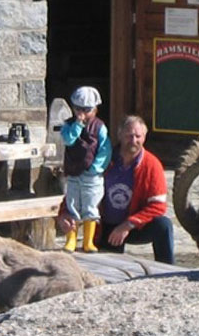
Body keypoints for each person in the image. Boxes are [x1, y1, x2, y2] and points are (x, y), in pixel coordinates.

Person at [58, 115, 175, 264]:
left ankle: (167, 271)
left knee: (163, 225)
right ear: (119, 135)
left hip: (133, 225)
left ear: (144, 137)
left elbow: (158, 206)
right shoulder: (103, 159)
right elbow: (78, 188)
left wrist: (128, 225)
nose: (133, 140)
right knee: (105, 268)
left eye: (138, 136)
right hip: (105, 226)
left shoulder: (152, 165)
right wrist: (64, 213)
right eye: (129, 135)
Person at [60, 86, 112, 253]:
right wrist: (77, 125)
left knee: (90, 206)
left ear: (95, 109)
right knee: (72, 205)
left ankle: (88, 241)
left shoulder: (100, 127)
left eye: (87, 110)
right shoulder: (68, 125)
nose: (82, 113)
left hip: (92, 175)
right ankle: (71, 239)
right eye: (78, 109)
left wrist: (96, 168)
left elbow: (105, 150)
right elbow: (68, 140)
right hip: (74, 173)